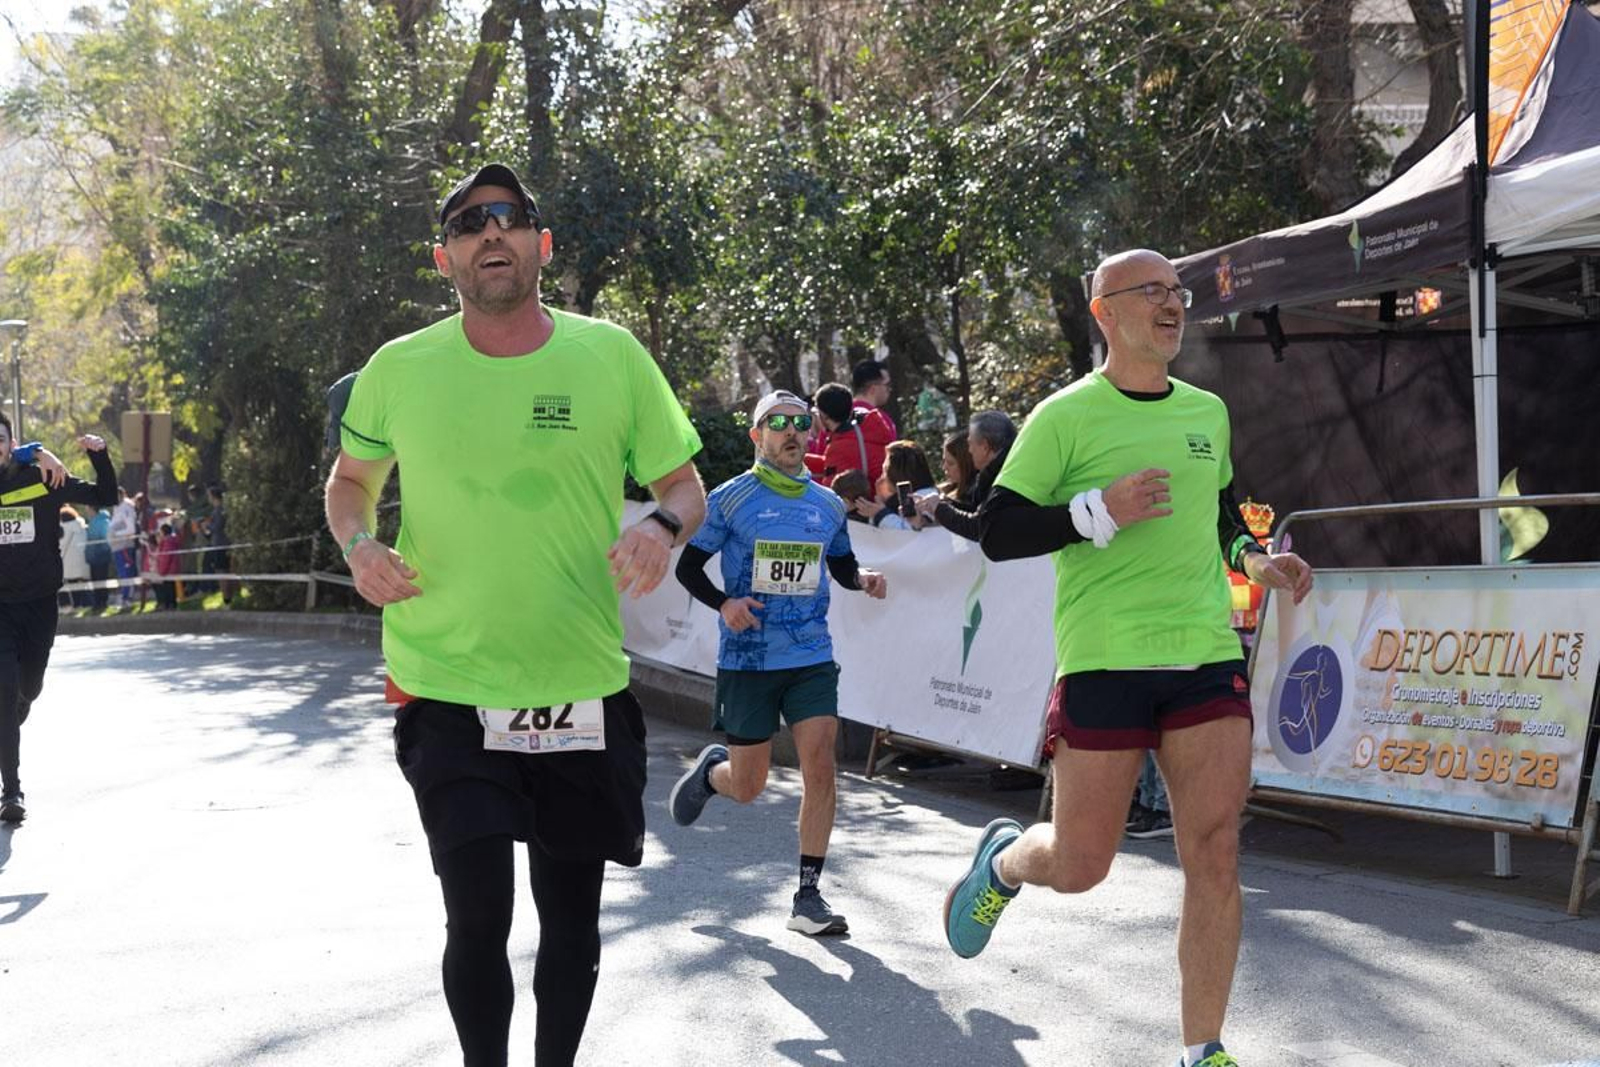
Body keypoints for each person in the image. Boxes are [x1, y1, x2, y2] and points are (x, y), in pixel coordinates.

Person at [325, 162, 705, 1067]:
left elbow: (685, 487)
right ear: (444, 256)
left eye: (508, 217)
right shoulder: (399, 370)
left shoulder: (611, 355)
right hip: (446, 681)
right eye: (468, 223)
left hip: (578, 684)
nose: (488, 232)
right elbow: (350, 484)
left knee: (570, 926)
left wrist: (659, 526)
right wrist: (360, 546)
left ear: (542, 244)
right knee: (479, 914)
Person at [940, 249, 1314, 1067]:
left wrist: (1255, 560)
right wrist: (1092, 512)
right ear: (1105, 312)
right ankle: (1004, 861)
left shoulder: (1206, 411)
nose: (1173, 304)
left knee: (1214, 850)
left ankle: (1201, 1048)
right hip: (1105, 660)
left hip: (1204, 655)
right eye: (1152, 292)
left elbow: (1219, 508)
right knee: (1079, 865)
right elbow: (998, 530)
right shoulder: (1065, 416)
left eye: (1178, 292)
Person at [668, 390, 887, 936]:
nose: (792, 432)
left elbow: (841, 567)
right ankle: (712, 776)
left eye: (800, 423)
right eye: (778, 423)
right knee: (749, 786)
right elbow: (688, 569)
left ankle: (808, 897)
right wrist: (726, 603)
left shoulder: (828, 505)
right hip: (748, 659)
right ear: (757, 436)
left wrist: (863, 580)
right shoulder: (730, 499)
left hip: (810, 655)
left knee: (820, 765)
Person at [0, 418, 117, 824]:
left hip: (39, 605)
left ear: (9, 442)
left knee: (28, 688)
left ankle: (21, 699)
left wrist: (98, 455)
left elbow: (105, 495)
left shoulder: (44, 477)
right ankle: (11, 791)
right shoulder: (31, 456)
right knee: (3, 691)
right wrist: (32, 447)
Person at [917, 410, 1018, 541]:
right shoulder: (994, 473)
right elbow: (976, 512)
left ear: (985, 447)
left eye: (970, 443)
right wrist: (937, 506)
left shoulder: (1004, 478)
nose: (969, 450)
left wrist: (940, 507)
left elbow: (980, 527)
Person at [804, 381, 893, 486]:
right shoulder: (862, 432)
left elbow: (832, 490)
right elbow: (832, 464)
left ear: (824, 415)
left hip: (864, 500)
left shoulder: (841, 447)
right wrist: (800, 460)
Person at [851, 439, 936, 531]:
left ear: (895, 474)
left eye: (885, 472)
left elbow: (909, 535)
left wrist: (880, 514)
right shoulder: (898, 501)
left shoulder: (925, 500)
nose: (882, 478)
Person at [203, 484, 234, 604]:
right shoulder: (216, 511)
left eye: (209, 496)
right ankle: (226, 596)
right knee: (220, 570)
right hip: (217, 543)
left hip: (221, 544)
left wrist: (207, 525)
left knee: (222, 571)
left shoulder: (219, 511)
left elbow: (217, 527)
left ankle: (227, 598)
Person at [850, 359, 897, 438]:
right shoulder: (882, 422)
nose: (890, 389)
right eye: (887, 384)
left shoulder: (836, 417)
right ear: (873, 389)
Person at [109, 487, 138, 607]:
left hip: (124, 546)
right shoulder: (117, 507)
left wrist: (116, 535)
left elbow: (131, 529)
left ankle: (127, 598)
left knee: (126, 573)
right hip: (117, 547)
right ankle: (124, 597)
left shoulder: (126, 508)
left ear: (121, 495)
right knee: (122, 573)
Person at [58, 506, 90, 609]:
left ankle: (69, 605)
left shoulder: (61, 528)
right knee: (81, 585)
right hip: (82, 561)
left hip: (67, 562)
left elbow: (59, 545)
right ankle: (83, 605)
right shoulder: (81, 526)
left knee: (66, 585)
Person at [83, 503, 113, 611]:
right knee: (95, 579)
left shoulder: (103, 521)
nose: (86, 510)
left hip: (101, 555)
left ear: (92, 508)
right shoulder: (92, 521)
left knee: (101, 579)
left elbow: (105, 538)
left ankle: (102, 602)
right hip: (93, 556)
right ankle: (97, 602)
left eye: (87, 507)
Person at [938, 429, 978, 506]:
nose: (944, 468)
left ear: (967, 464)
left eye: (951, 463)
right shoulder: (946, 490)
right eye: (944, 461)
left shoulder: (973, 496)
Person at [155, 522, 182, 610]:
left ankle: (170, 605)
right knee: (171, 587)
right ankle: (172, 604)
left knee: (168, 588)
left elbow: (165, 558)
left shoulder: (167, 542)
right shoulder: (173, 540)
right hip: (173, 568)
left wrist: (162, 571)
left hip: (168, 570)